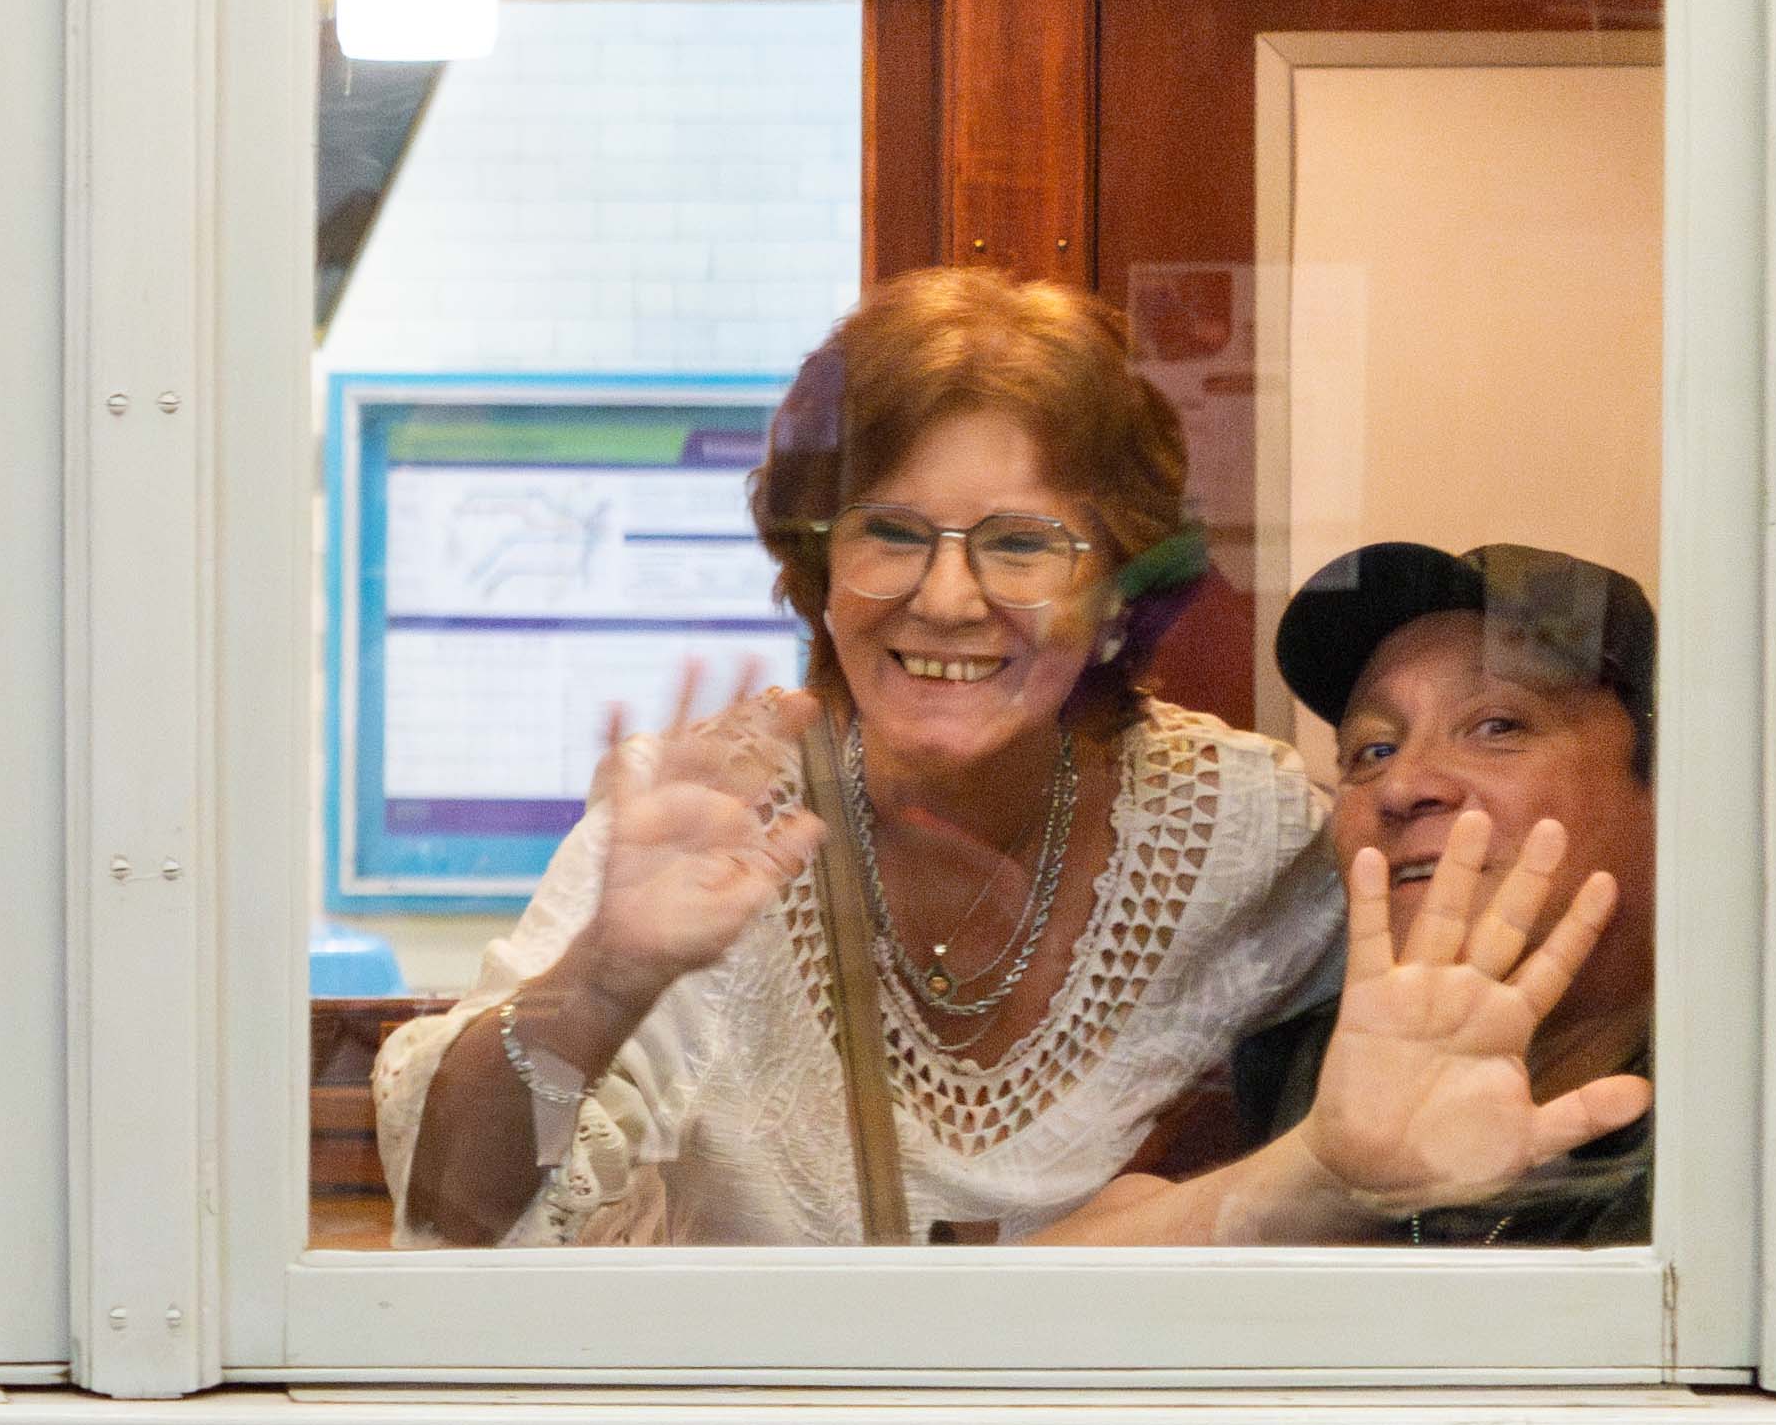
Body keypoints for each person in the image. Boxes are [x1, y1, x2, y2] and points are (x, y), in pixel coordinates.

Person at [375, 267, 1342, 1245]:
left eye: (1019, 544)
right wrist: (603, 980)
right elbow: (453, 1207)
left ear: (1113, 593)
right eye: (889, 531)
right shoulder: (703, 807)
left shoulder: (1233, 823)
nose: (947, 599)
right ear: (820, 571)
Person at [1046, 541, 1657, 1245]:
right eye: (1373, 749)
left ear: (1666, 782)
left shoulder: (1759, 1104)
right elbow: (1015, 1311)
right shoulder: (1287, 1080)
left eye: (1498, 726)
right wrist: (1310, 1176)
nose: (1401, 786)